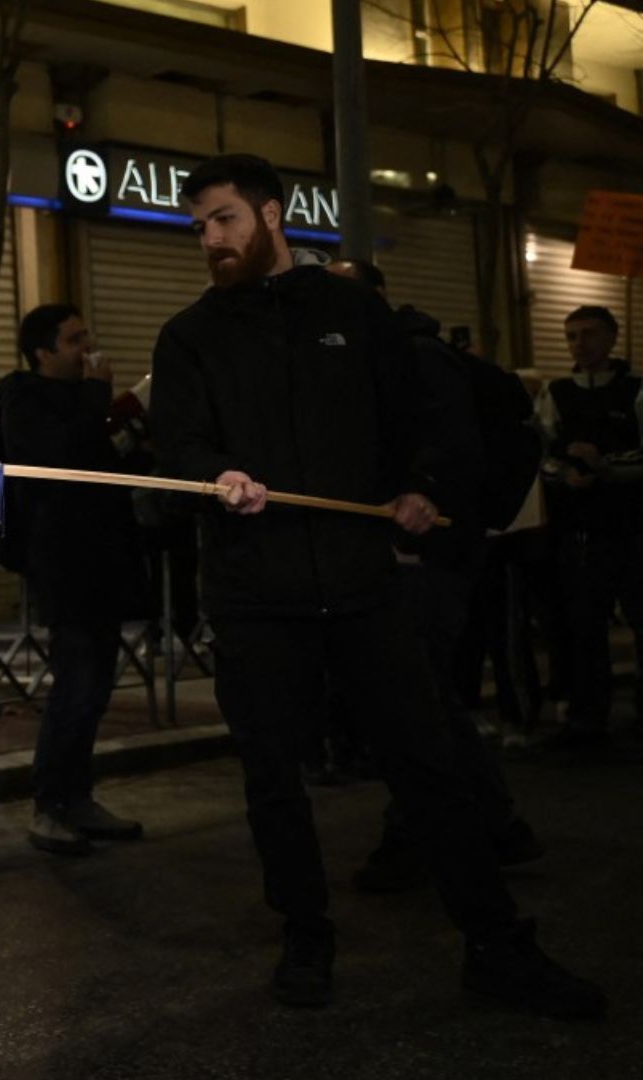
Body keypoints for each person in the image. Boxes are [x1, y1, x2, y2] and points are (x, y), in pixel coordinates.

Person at [147, 153, 602, 1017]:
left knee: (428, 765)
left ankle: (497, 944)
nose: (209, 239)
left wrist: (428, 488)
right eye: (199, 225)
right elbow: (180, 447)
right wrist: (218, 473)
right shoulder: (190, 338)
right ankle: (306, 939)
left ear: (272, 216)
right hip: (255, 596)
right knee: (274, 780)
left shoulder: (354, 314)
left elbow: (431, 422)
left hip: (363, 585)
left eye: (225, 219)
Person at [322, 258, 544, 892]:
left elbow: (449, 454)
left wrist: (414, 516)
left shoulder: (416, 358)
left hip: (427, 554)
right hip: (410, 553)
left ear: (376, 299)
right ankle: (496, 825)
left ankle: (418, 835)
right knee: (427, 700)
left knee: (410, 702)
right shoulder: (375, 359)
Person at [0, 305, 149, 856]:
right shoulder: (23, 398)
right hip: (66, 565)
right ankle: (50, 805)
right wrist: (97, 399)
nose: (87, 347)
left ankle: (77, 797)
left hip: (105, 561)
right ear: (43, 353)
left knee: (96, 687)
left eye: (86, 335)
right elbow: (58, 459)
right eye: (74, 339)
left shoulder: (83, 401)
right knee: (76, 686)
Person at [534, 305, 642, 747]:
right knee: (584, 628)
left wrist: (605, 468)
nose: (581, 344)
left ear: (613, 338)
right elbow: (540, 454)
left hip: (633, 528)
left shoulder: (635, 392)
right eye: (572, 336)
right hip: (581, 533)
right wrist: (565, 474)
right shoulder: (555, 393)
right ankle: (587, 717)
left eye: (590, 334)